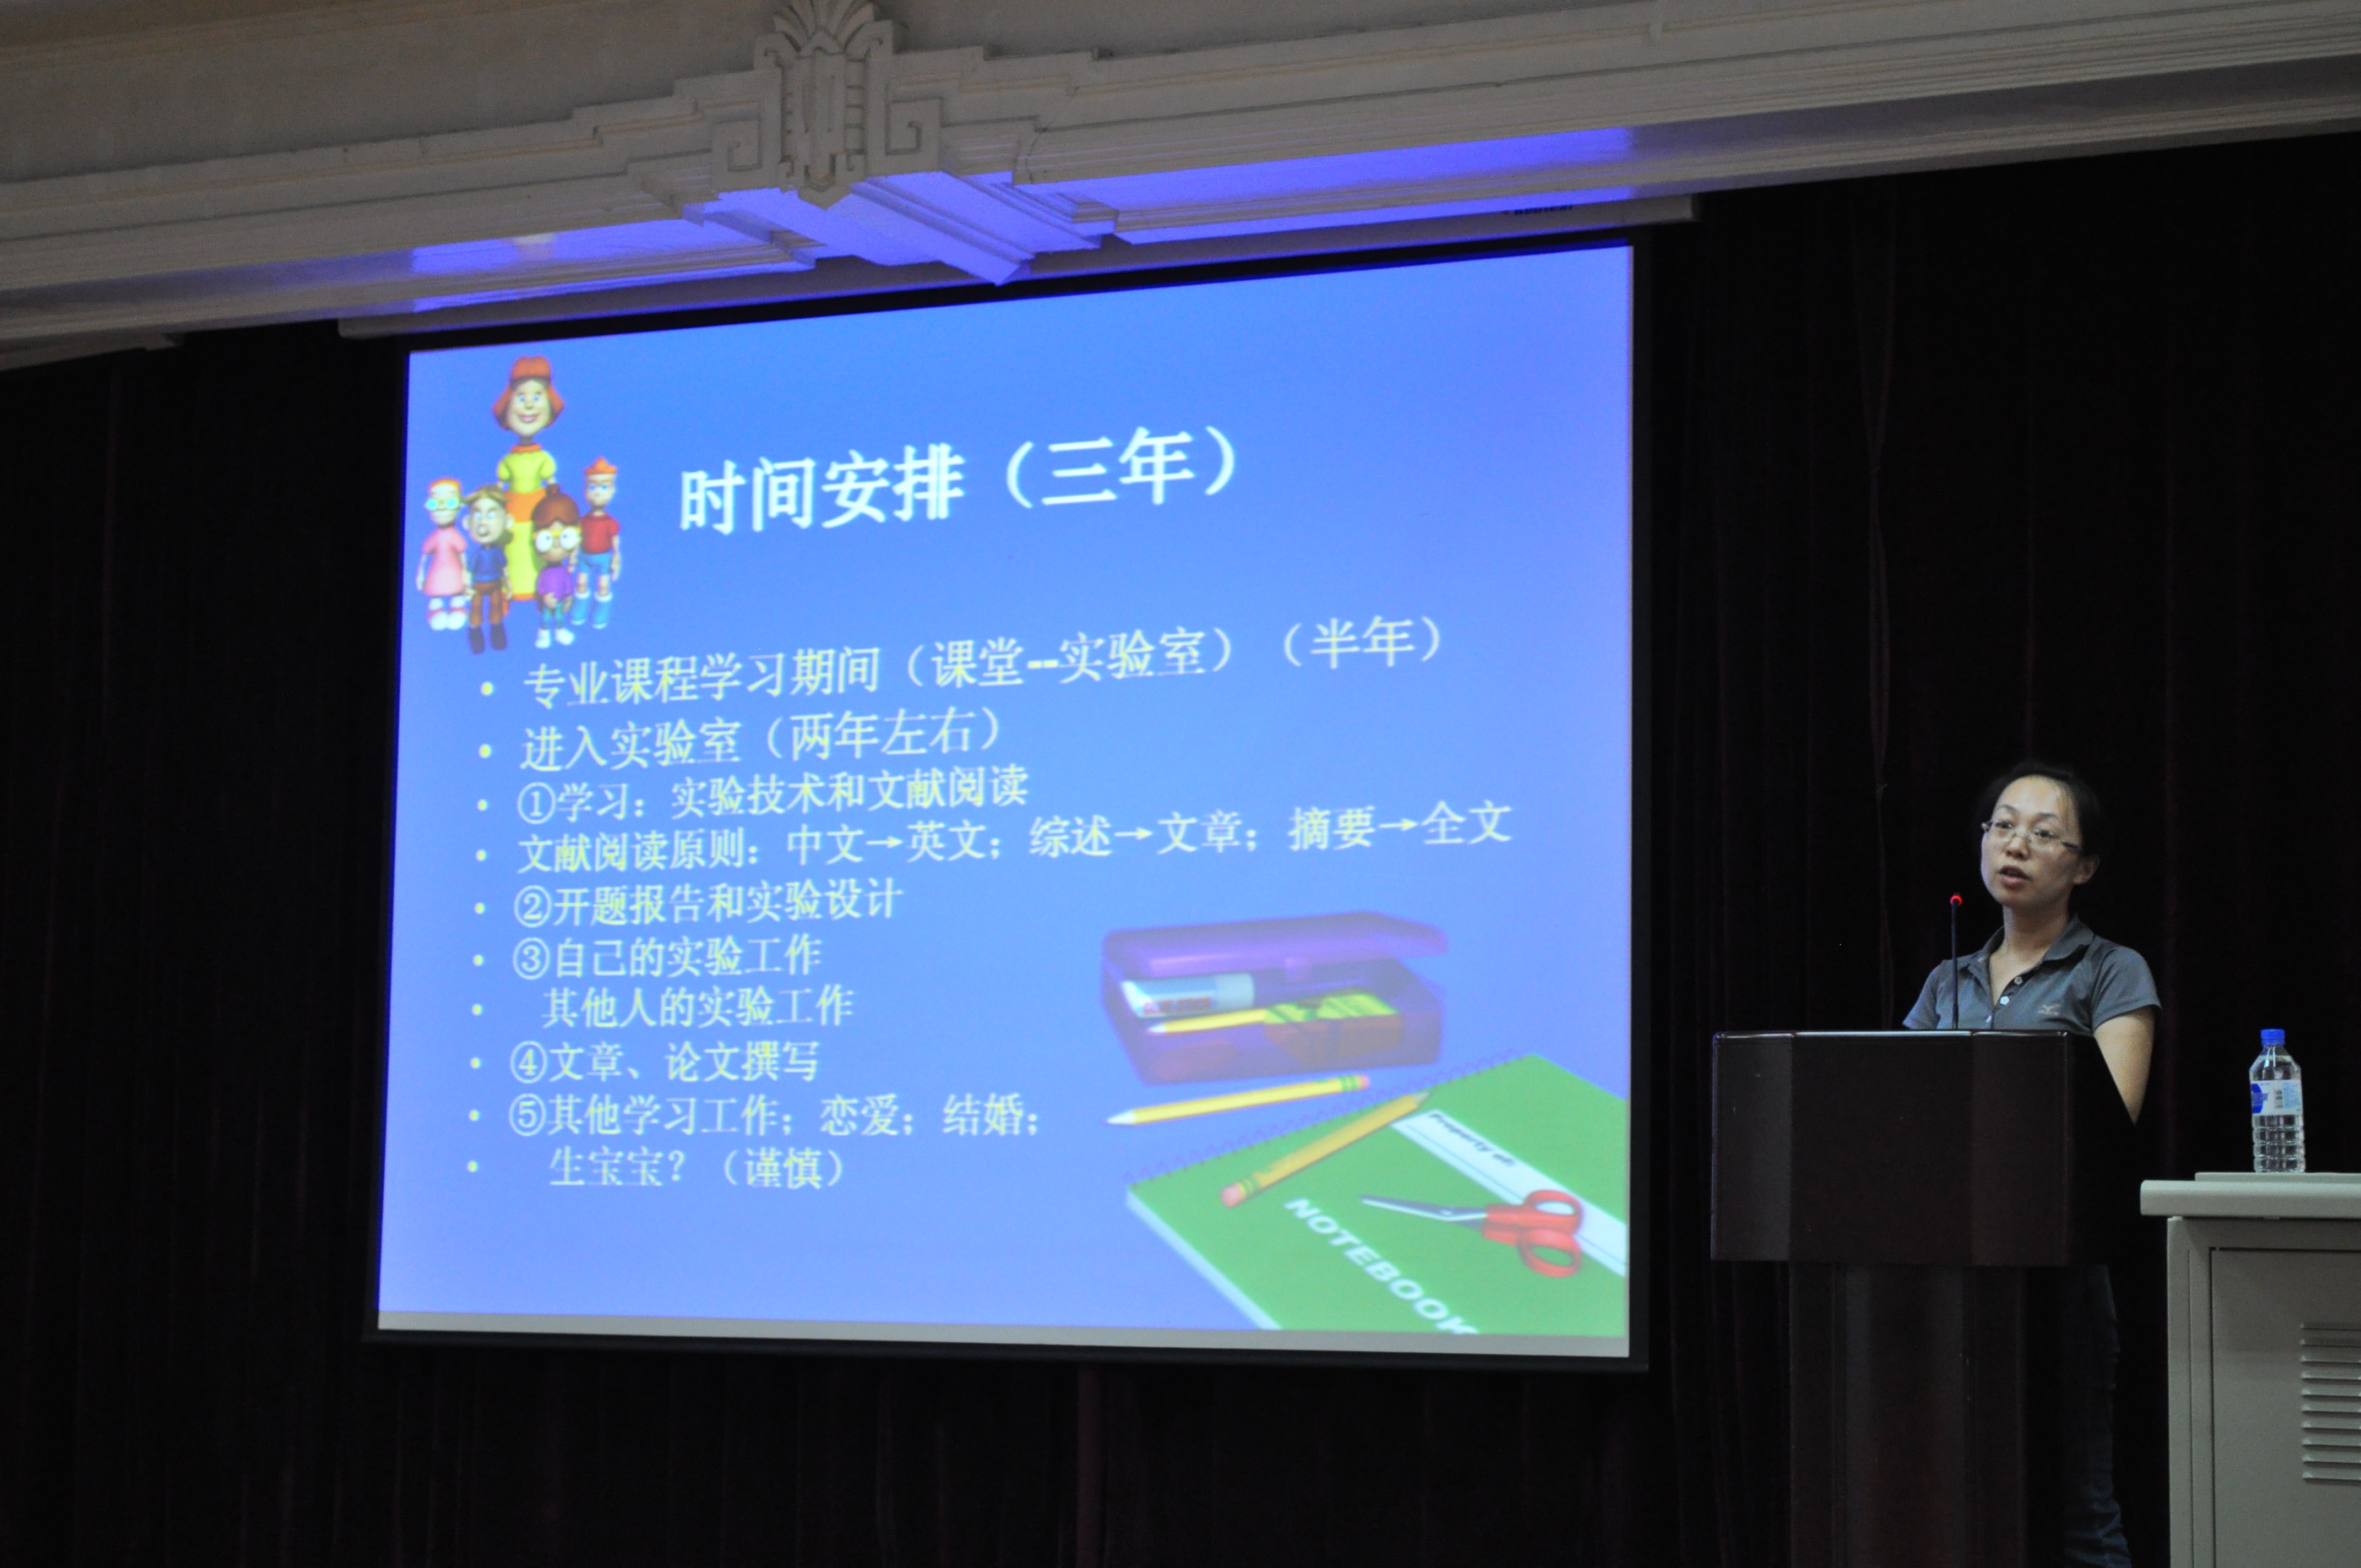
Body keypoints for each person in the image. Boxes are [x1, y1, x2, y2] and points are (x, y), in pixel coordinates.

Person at [1903, 759, 2158, 1568]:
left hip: (2059, 1270)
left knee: (2080, 1507)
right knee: (1952, 1499)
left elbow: (2111, 1120)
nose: (2015, 846)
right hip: (1949, 1274)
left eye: (2044, 834)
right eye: (2003, 827)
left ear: (2084, 867)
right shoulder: (1947, 980)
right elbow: (1895, 1119)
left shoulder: (2111, 970)